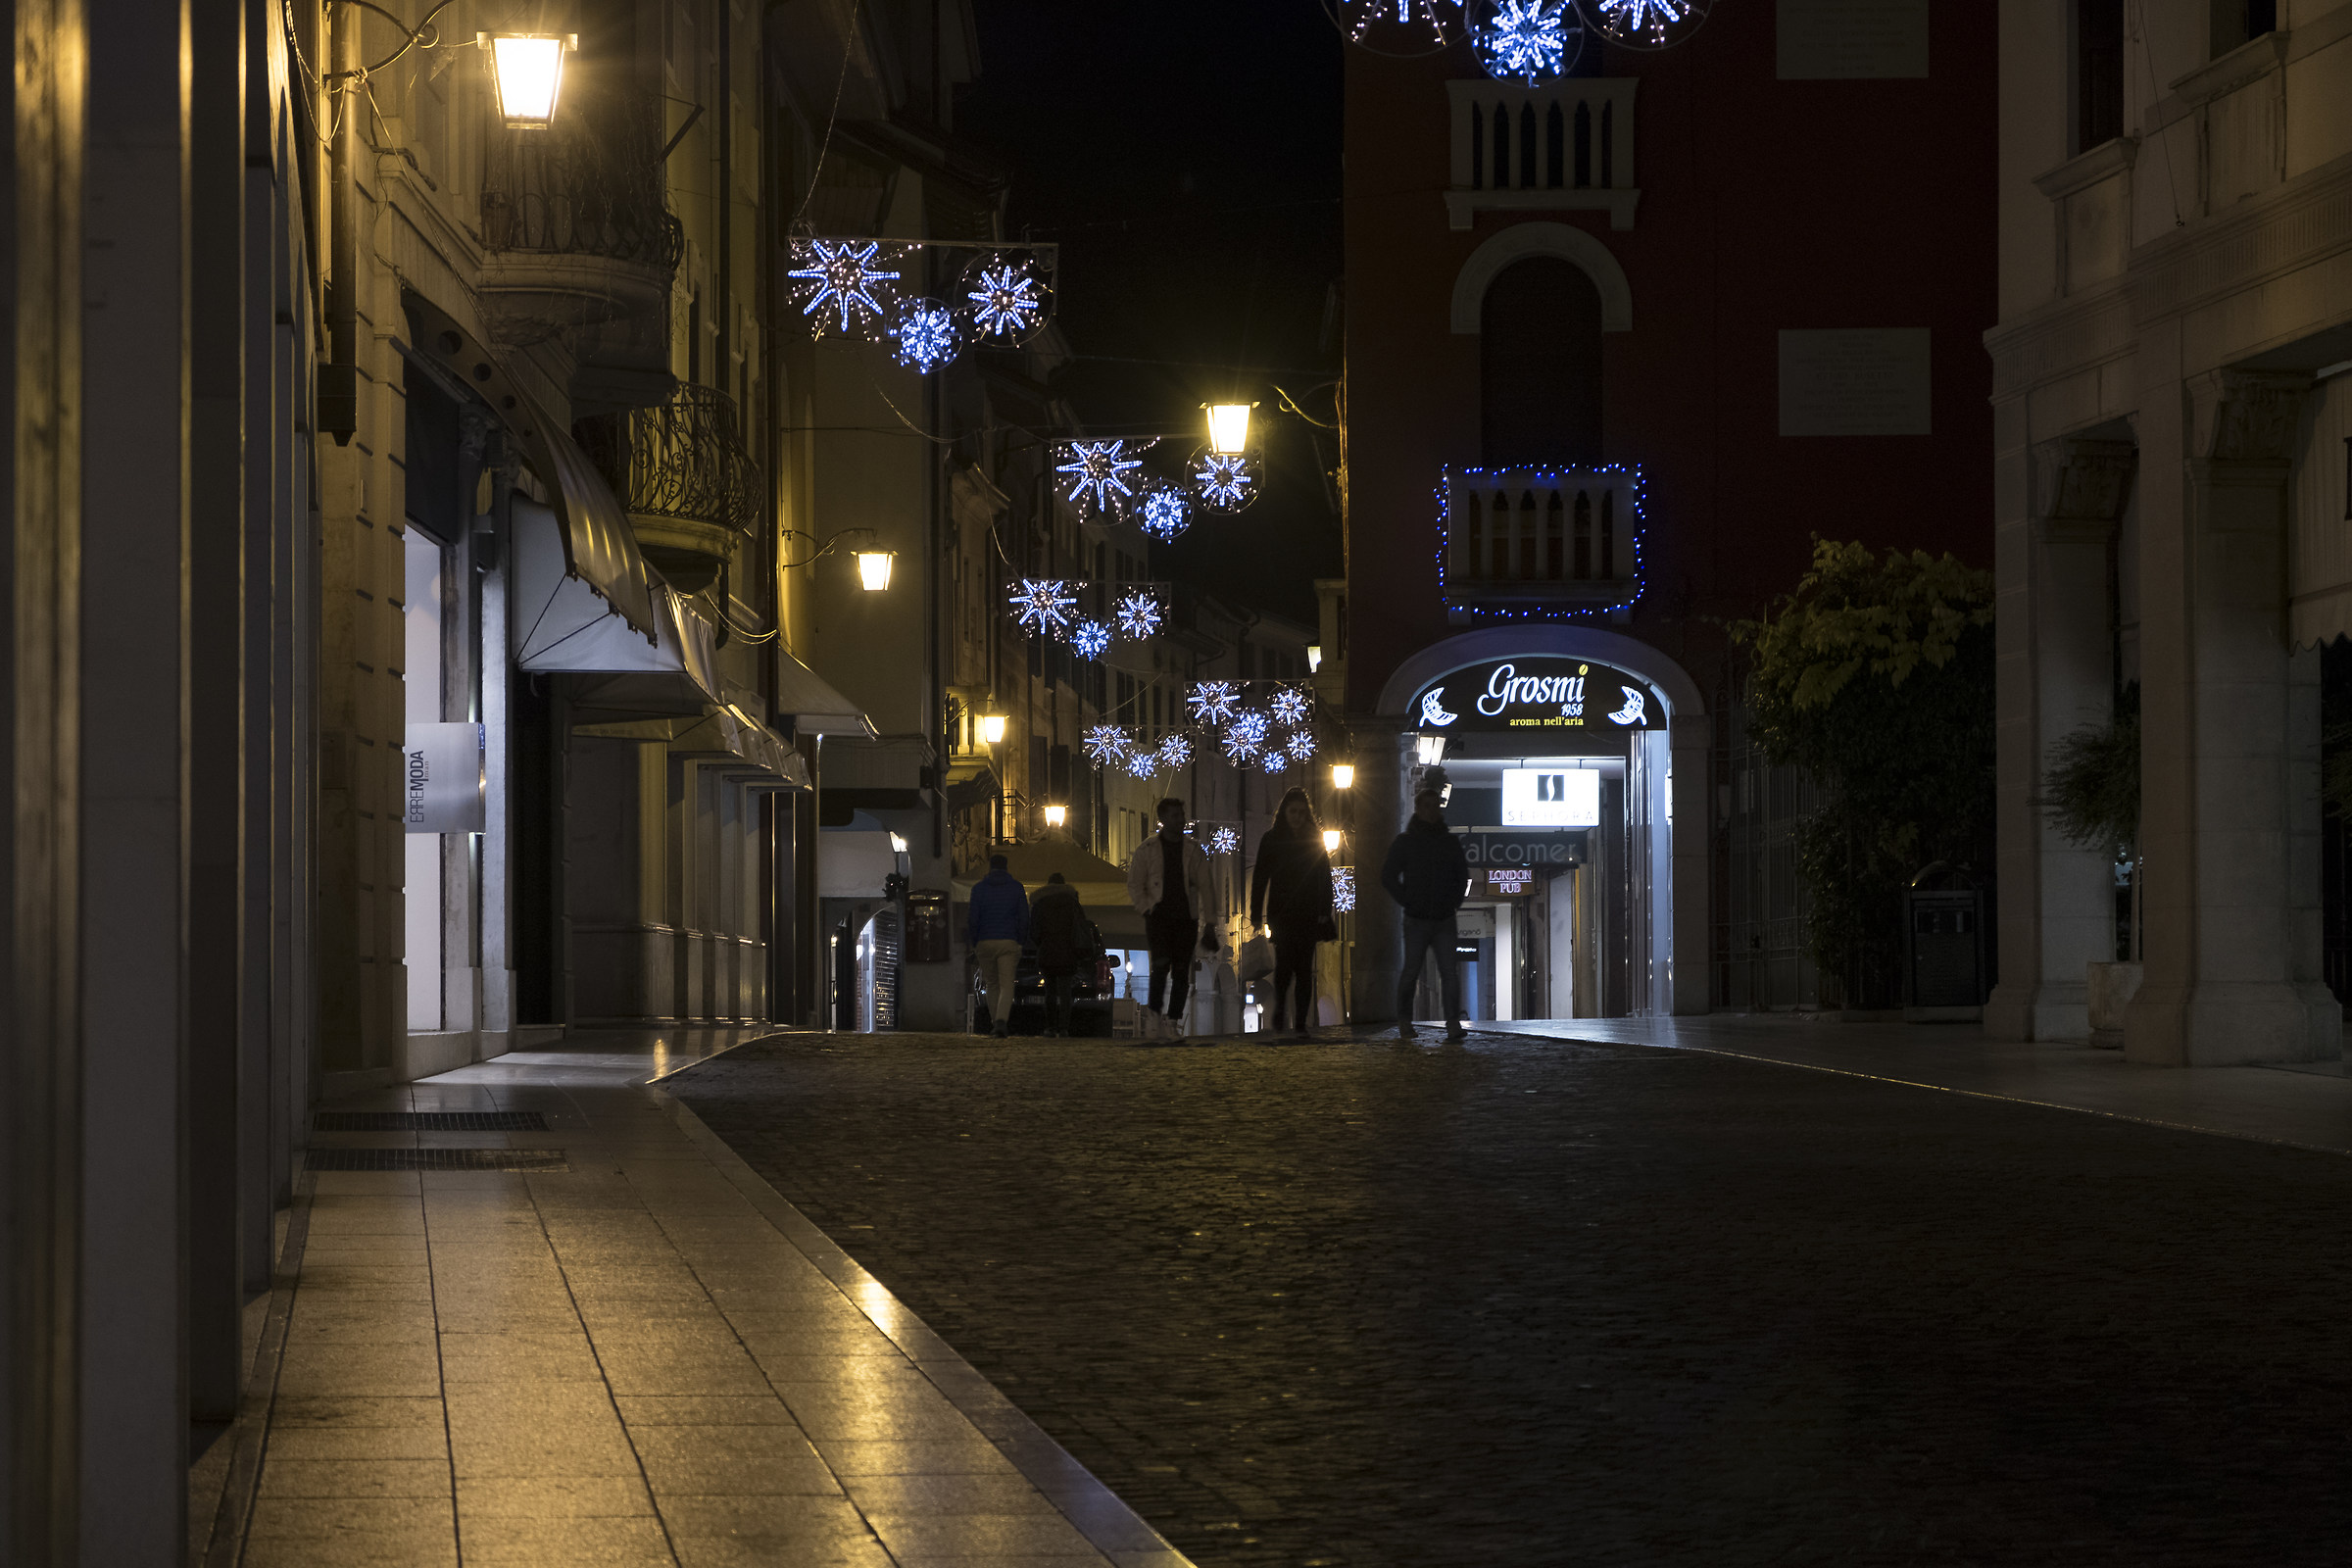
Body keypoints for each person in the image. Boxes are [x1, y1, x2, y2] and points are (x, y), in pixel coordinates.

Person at [1379, 785, 1470, 1042]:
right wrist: (1408, 901)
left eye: (1435, 806)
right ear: (1418, 809)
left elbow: (1462, 876)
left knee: (1448, 973)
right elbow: (1388, 876)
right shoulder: (1406, 842)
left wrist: (1453, 902)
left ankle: (1452, 1022)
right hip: (1418, 918)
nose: (1431, 811)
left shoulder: (1449, 843)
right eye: (1427, 806)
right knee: (1412, 971)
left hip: (1443, 917)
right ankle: (1405, 1021)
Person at [1125, 797, 1219, 1034]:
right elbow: (1135, 883)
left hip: (1186, 917)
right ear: (1163, 819)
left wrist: (1210, 921)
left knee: (1181, 971)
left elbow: (1207, 886)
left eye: (1182, 815)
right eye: (1175, 816)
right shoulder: (1148, 850)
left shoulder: (1193, 850)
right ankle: (1155, 1016)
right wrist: (1147, 908)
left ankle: (1172, 1020)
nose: (1181, 820)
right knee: (1160, 966)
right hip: (1159, 916)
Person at [1250, 786, 1335, 1042]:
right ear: (1284, 812)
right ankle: (1280, 1015)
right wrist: (1256, 913)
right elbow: (1260, 877)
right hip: (1282, 912)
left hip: (1307, 912)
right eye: (1293, 811)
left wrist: (1324, 910)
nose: (1297, 816)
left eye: (1301, 812)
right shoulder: (1272, 839)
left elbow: (1325, 876)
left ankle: (1299, 1023)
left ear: (1307, 814)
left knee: (1304, 969)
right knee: (1285, 966)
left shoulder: (1314, 839)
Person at [967, 853, 1030, 1037]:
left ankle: (995, 1023)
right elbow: (1024, 918)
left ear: (990, 868)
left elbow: (973, 919)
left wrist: (975, 942)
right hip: (1008, 941)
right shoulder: (1016, 888)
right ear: (1006, 867)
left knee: (992, 983)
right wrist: (1020, 941)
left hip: (984, 941)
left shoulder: (978, 889)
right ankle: (1001, 1021)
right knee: (1006, 984)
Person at [1028, 871, 1087, 1038]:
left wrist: (1042, 943)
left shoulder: (1040, 903)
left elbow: (1034, 931)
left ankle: (1051, 1027)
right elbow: (1080, 927)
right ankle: (1064, 1028)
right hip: (1068, 952)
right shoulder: (1073, 903)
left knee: (1050, 991)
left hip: (1047, 951)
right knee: (1066, 991)